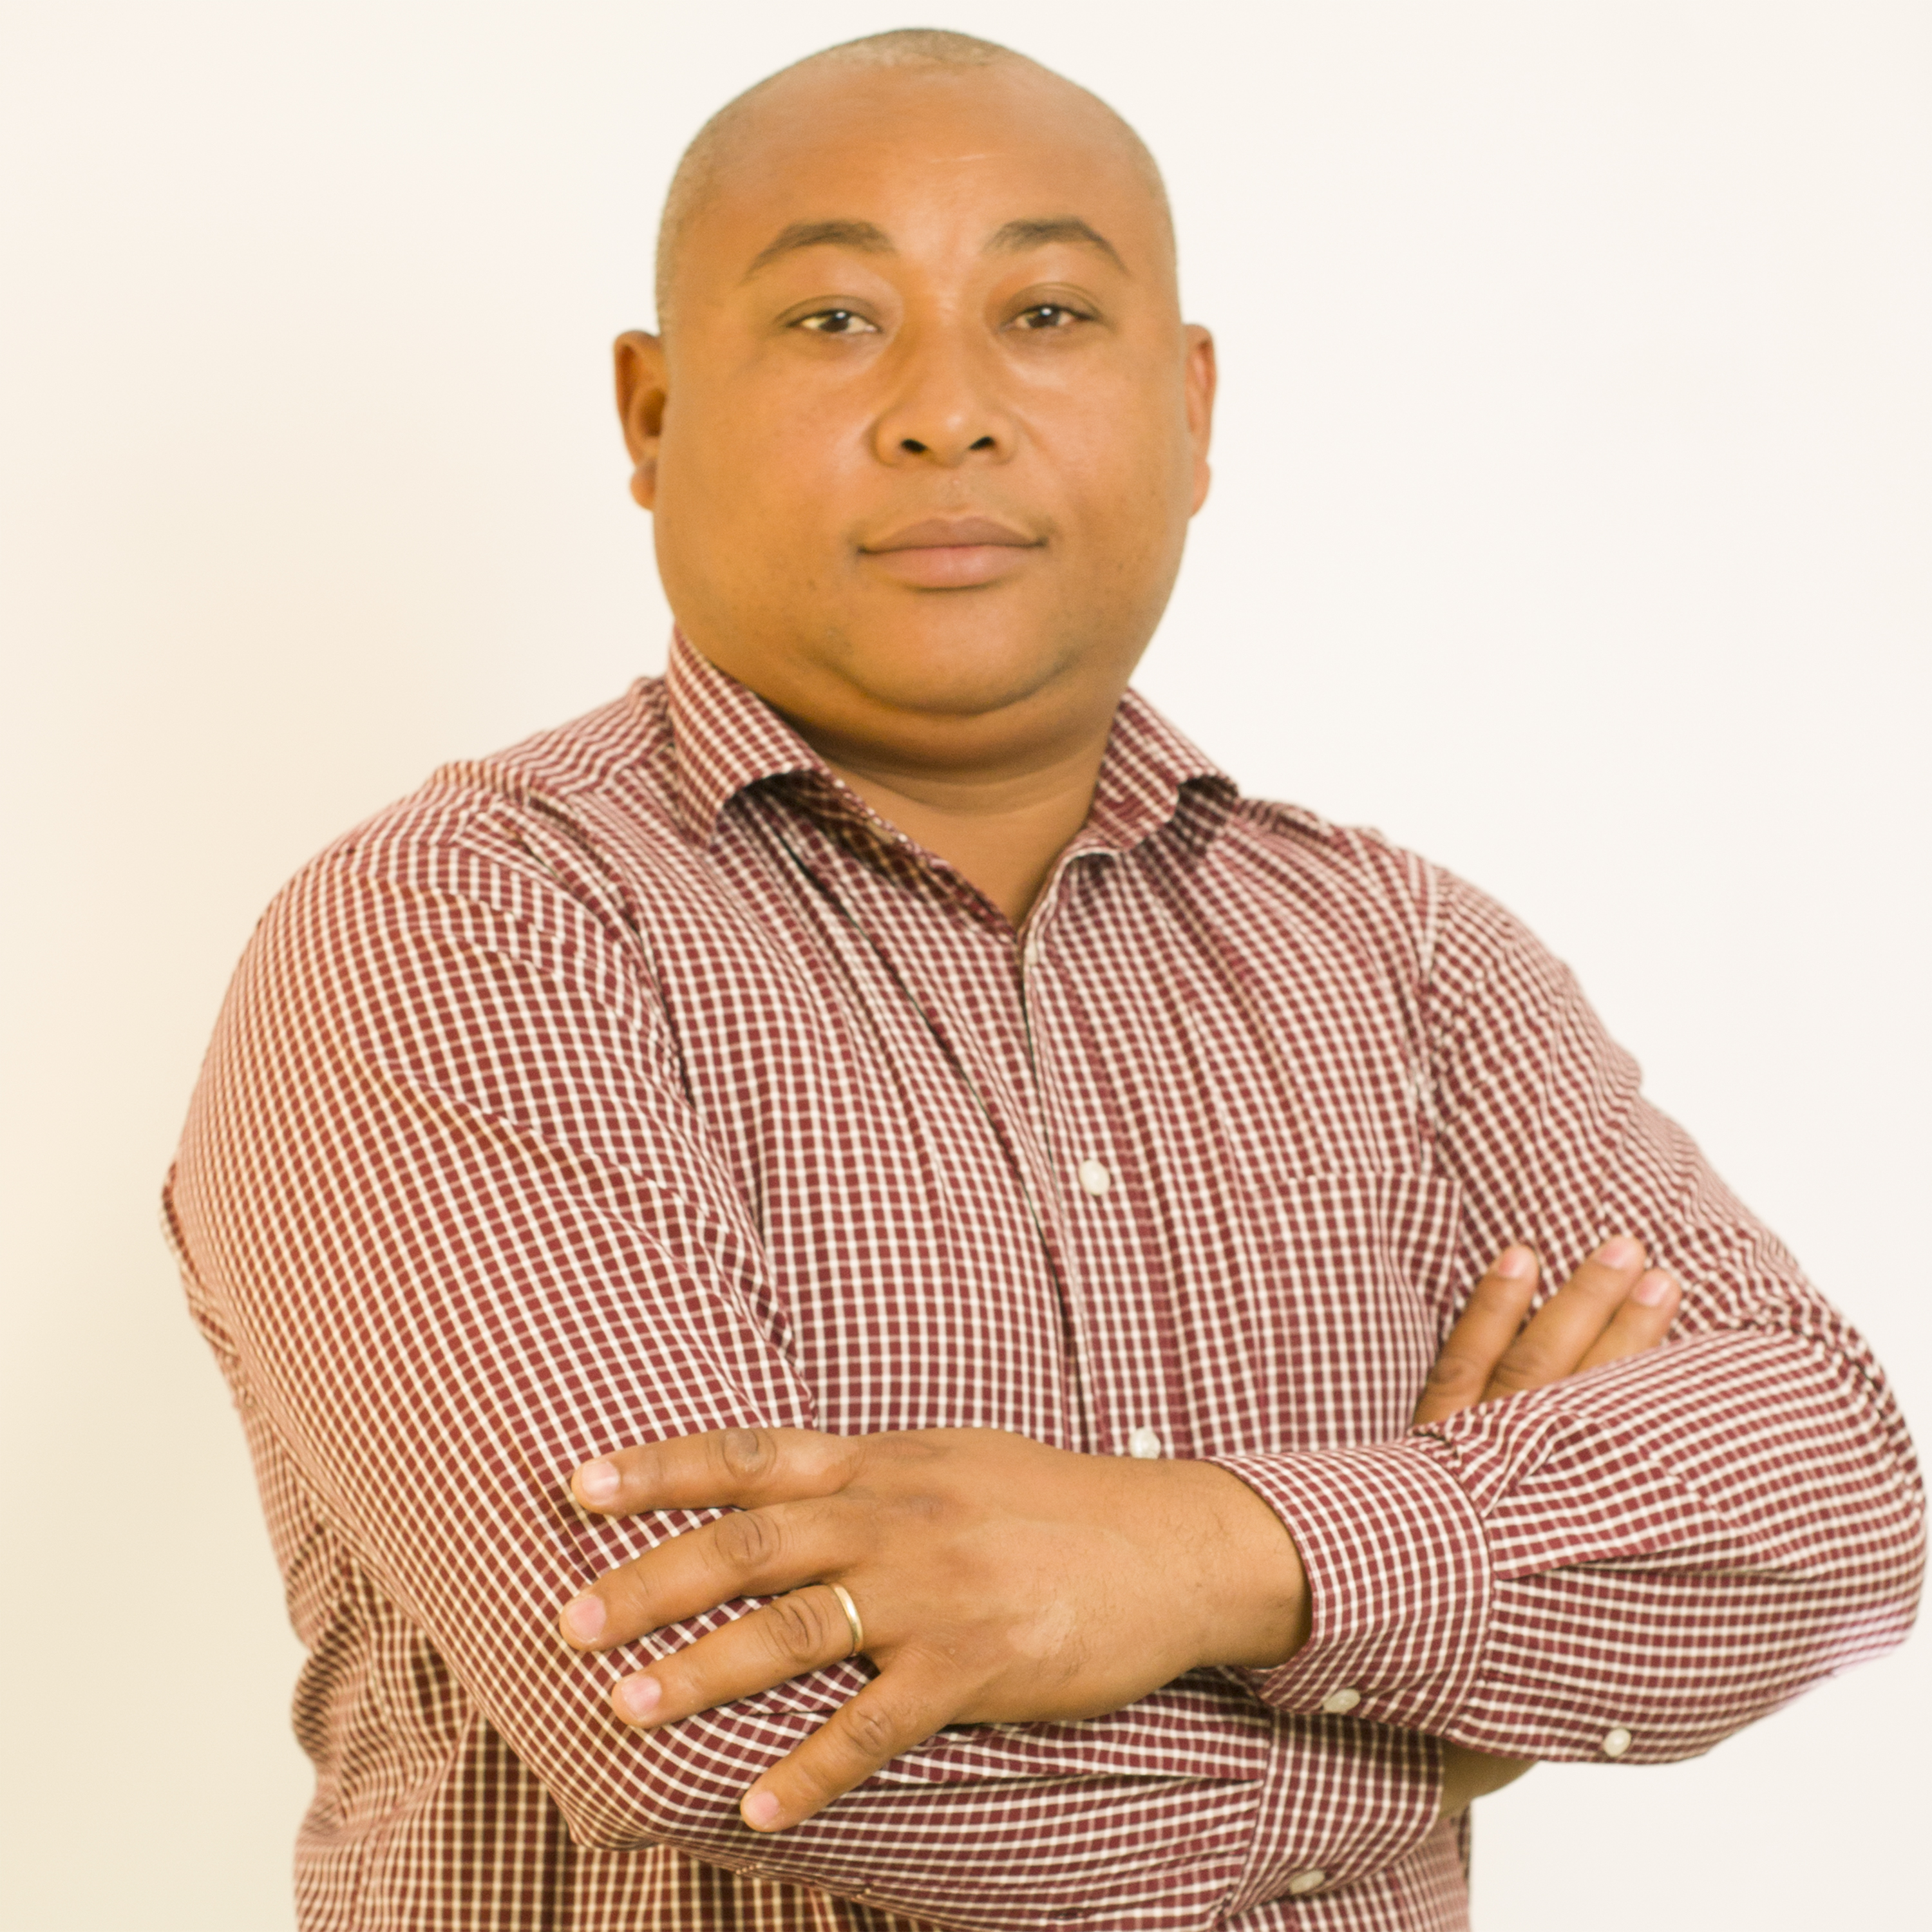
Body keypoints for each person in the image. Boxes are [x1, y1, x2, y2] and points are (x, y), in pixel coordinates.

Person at [164, 28, 1922, 1932]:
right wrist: (1442, 1696)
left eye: (1050, 315)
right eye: (835, 320)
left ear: (1192, 406)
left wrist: (1215, 1557)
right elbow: (721, 1729)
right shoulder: (455, 933)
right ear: (652, 414)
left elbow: (1833, 1502)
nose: (948, 413)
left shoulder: (1408, 960)